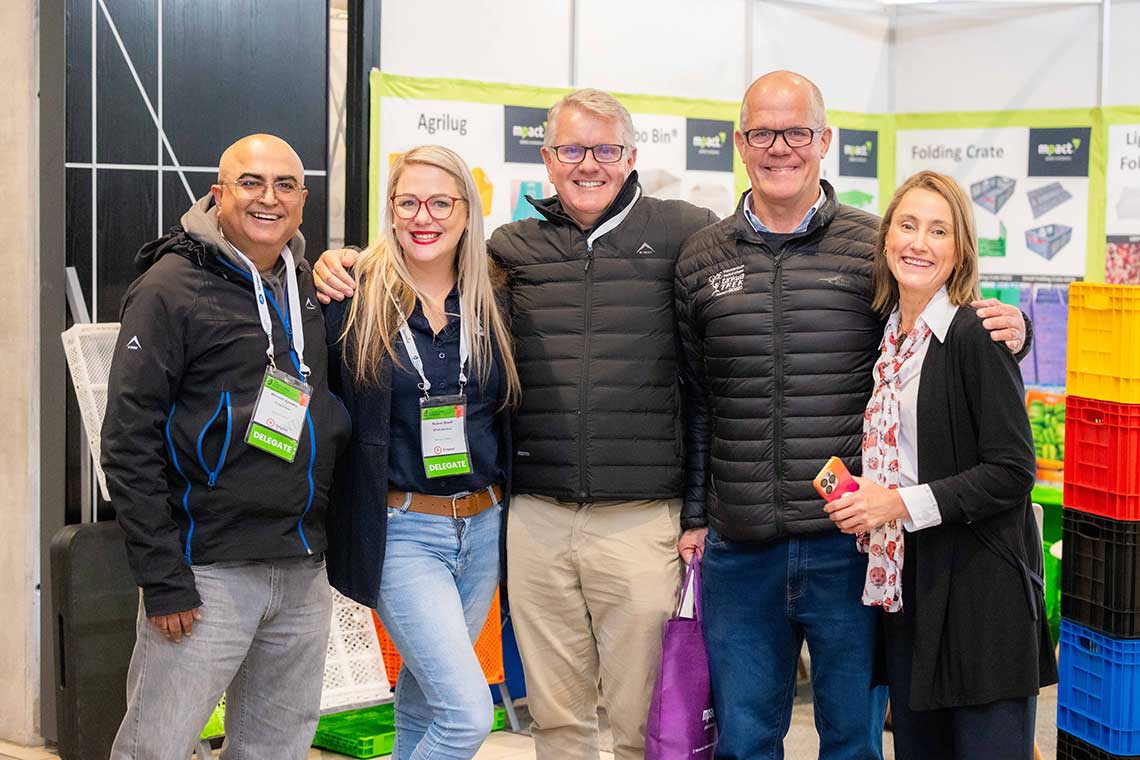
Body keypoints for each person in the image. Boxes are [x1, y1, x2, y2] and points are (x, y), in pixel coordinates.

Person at [315, 89, 717, 760]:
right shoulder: (501, 258)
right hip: (516, 523)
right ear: (547, 159)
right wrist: (337, 259)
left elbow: (713, 369)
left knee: (635, 720)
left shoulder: (677, 233)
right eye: (570, 149)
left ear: (630, 156)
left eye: (604, 149)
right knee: (532, 717)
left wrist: (700, 507)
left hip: (618, 522)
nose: (587, 164)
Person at [673, 71, 1031, 759]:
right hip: (739, 544)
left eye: (798, 131)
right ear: (740, 144)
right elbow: (695, 398)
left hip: (851, 547)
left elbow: (942, 326)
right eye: (763, 133)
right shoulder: (700, 259)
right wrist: (697, 515)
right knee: (744, 742)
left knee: (853, 742)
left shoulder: (872, 247)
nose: (781, 147)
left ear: (825, 140)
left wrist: (1014, 330)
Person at [101, 134, 350, 759]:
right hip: (206, 574)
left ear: (302, 200)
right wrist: (163, 578)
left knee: (276, 749)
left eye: (285, 185)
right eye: (250, 183)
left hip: (300, 572)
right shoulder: (170, 287)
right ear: (219, 194)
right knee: (154, 748)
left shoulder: (306, 284)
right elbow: (128, 441)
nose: (269, 198)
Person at [823, 170, 1057, 760]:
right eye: (907, 225)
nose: (918, 243)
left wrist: (895, 504)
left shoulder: (976, 333)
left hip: (981, 597)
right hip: (909, 589)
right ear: (885, 239)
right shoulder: (889, 338)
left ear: (959, 253)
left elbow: (1011, 471)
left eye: (938, 231)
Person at [323, 144, 520, 759]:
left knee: (422, 702)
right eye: (407, 202)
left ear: (467, 210)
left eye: (440, 202)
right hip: (401, 531)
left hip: (483, 525)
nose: (422, 216)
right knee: (465, 716)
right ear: (391, 209)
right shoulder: (353, 297)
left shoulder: (497, 297)